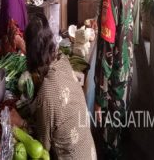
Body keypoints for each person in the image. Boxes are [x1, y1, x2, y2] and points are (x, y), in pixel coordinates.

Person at [10, 13, 97, 160]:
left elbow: (42, 146)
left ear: (31, 54)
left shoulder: (47, 92)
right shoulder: (63, 61)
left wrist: (21, 123)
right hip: (89, 152)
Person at [94, 0, 139, 159]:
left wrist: (100, 98)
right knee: (120, 121)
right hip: (126, 63)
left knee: (109, 142)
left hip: (114, 75)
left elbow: (107, 46)